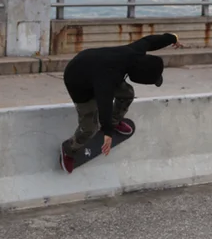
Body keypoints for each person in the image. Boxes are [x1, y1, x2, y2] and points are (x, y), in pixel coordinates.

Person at [59, 32, 183, 171]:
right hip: (78, 81)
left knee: (127, 93)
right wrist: (107, 133)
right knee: (89, 128)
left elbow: (150, 40)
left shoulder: (136, 52)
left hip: (98, 68)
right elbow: (104, 102)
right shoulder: (107, 78)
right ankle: (69, 149)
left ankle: (114, 121)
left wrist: (172, 38)